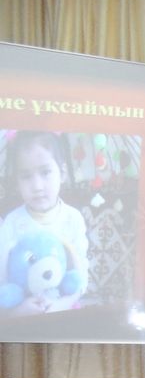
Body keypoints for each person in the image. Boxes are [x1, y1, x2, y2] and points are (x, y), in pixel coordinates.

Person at [0, 130, 88, 314]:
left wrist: (63, 304)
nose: (37, 186)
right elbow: (3, 279)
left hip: (63, 308)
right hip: (22, 311)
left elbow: (80, 275)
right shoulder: (12, 222)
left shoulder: (73, 219)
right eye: (26, 176)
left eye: (45, 172)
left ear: (62, 173)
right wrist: (19, 311)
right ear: (16, 182)